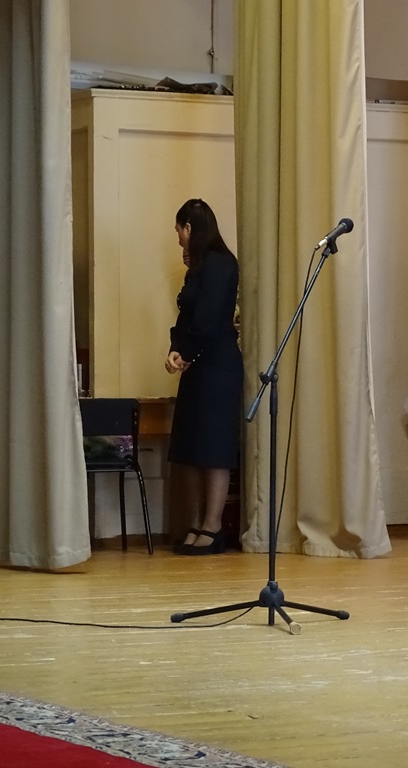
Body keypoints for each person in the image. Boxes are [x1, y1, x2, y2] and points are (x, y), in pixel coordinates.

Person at [166, 198, 244, 555]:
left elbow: (209, 319)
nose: (178, 238)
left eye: (179, 230)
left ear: (190, 227)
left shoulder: (220, 264)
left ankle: (212, 527)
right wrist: (176, 349)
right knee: (192, 446)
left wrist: (186, 353)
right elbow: (187, 316)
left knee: (214, 447)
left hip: (217, 366)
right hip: (198, 364)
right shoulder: (198, 266)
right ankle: (197, 523)